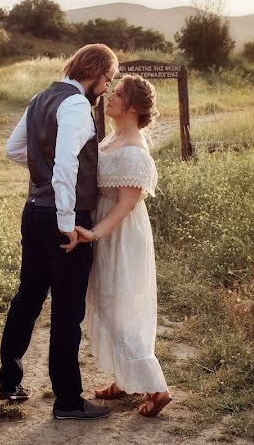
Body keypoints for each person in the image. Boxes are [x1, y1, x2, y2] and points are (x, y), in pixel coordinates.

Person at [0, 43, 119, 420]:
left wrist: (42, 175)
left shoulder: (40, 98)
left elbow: (15, 150)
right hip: (64, 219)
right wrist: (67, 223)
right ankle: (67, 400)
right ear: (97, 74)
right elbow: (66, 165)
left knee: (29, 296)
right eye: (108, 80)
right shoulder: (77, 105)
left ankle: (9, 380)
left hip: (33, 211)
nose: (107, 88)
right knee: (67, 309)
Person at [70, 74, 173, 417]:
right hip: (103, 226)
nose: (109, 96)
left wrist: (95, 233)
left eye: (117, 94)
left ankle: (157, 388)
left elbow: (125, 205)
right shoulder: (113, 138)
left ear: (131, 106)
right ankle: (125, 378)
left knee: (121, 308)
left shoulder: (135, 151)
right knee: (106, 301)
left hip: (120, 234)